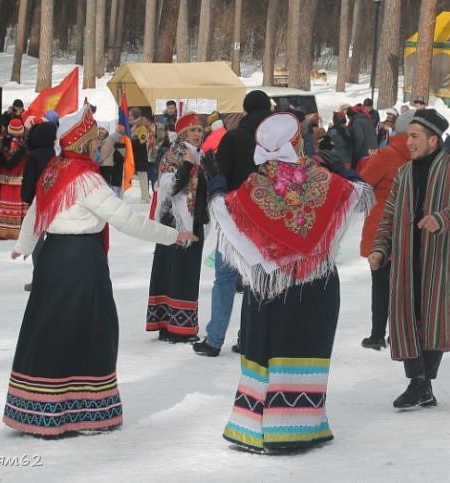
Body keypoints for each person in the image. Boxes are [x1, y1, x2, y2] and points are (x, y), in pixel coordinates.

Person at [2, 104, 196, 437]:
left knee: (48, 328)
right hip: (80, 261)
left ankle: (37, 406)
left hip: (52, 259)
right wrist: (172, 235)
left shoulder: (54, 169)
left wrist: (26, 245)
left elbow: (37, 210)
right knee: (90, 329)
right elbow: (127, 219)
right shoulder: (86, 179)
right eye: (94, 138)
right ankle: (83, 411)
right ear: (84, 141)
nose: (97, 144)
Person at [203, 112, 371, 453]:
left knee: (266, 348)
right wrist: (344, 170)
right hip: (316, 283)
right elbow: (359, 193)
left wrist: (216, 188)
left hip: (269, 286)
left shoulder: (254, 187)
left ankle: (257, 426)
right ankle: (300, 426)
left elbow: (225, 215)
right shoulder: (323, 181)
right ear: (296, 144)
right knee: (305, 350)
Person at [368, 109, 450, 409]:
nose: (409, 142)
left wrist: (441, 219)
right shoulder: (404, 172)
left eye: (414, 136)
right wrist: (379, 248)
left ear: (432, 139)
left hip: (441, 259)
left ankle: (421, 383)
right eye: (407, 136)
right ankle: (420, 382)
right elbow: (388, 215)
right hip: (405, 259)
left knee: (433, 318)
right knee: (405, 318)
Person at [192, 90, 272, 357]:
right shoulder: (280, 138)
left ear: (246, 110)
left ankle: (214, 340)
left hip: (234, 215)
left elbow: (218, 175)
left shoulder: (235, 136)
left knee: (225, 278)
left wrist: (206, 203)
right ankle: (249, 338)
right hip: (269, 216)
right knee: (257, 279)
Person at [146, 112, 209, 343]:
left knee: (173, 269)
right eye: (192, 130)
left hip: (184, 219)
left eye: (200, 130)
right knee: (182, 271)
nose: (197, 134)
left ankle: (166, 323)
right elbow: (167, 187)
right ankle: (179, 329)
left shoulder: (193, 153)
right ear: (183, 133)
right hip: (179, 220)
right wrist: (186, 170)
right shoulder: (179, 153)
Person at [359, 110, 414, 350]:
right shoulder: (422, 156)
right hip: (409, 229)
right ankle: (399, 333)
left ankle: (377, 333)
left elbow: (363, 186)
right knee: (404, 287)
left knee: (380, 285)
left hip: (381, 228)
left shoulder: (386, 156)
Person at [20, 120, 58, 291]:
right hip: (58, 201)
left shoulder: (34, 156)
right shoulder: (58, 154)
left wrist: (27, 198)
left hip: (39, 203)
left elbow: (29, 181)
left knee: (37, 241)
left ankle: (39, 277)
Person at [0, 118, 28, 239]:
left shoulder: (1, 141)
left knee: (4, 205)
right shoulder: (24, 144)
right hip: (19, 179)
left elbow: (4, 162)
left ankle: (2, 230)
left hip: (4, 179)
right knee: (16, 205)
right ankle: (16, 230)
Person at [129, 107, 151, 203]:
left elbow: (142, 141)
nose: (129, 117)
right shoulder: (134, 127)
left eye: (131, 115)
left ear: (135, 116)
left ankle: (145, 197)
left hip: (141, 156)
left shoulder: (142, 127)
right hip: (134, 155)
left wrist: (130, 142)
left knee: (143, 176)